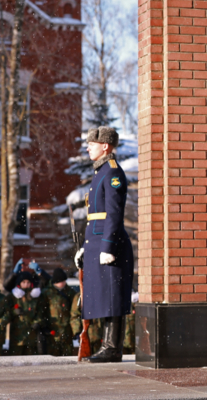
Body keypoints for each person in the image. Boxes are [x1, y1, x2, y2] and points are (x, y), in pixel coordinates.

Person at [73, 126, 135, 363]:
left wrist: (107, 246)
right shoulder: (100, 172)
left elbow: (114, 213)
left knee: (112, 296)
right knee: (103, 294)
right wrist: (86, 248)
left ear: (105, 146)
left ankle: (112, 347)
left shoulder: (112, 172)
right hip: (97, 242)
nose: (88, 146)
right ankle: (106, 345)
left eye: (92, 143)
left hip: (110, 243)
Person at [9, 271, 48, 356]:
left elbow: (41, 311)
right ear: (20, 283)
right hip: (17, 336)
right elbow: (7, 311)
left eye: (28, 282)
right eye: (23, 282)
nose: (26, 284)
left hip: (32, 336)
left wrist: (37, 322)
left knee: (31, 361)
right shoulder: (13, 296)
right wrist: (14, 311)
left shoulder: (36, 296)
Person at [44, 268, 76, 356]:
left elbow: (75, 311)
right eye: (60, 281)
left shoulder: (70, 292)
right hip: (53, 330)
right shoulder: (48, 293)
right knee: (53, 356)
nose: (63, 283)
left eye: (64, 281)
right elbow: (43, 310)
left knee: (68, 355)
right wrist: (44, 326)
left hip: (67, 330)